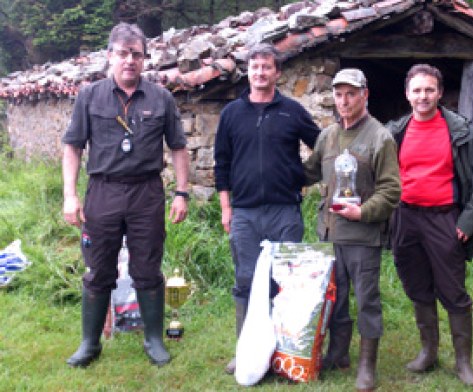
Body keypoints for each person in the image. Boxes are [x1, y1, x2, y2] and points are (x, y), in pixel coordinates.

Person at [62, 22, 190, 368]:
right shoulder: (90, 96)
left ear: (144, 59)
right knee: (98, 268)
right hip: (102, 192)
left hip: (146, 193)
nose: (129, 60)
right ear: (110, 57)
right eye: (122, 54)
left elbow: (179, 147)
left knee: (147, 267)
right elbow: (72, 146)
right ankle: (90, 343)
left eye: (136, 54)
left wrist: (181, 192)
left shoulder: (160, 97)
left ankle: (153, 339)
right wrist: (70, 195)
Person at [213, 43, 321, 375]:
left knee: (287, 284)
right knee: (246, 282)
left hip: (285, 210)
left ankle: (285, 353)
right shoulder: (232, 113)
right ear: (248, 71)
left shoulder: (292, 110)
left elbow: (321, 146)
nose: (260, 73)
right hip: (244, 212)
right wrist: (226, 208)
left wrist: (301, 177)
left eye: (267, 67)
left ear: (278, 72)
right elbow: (222, 164)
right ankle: (246, 351)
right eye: (255, 67)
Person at [387, 64, 473, 386]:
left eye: (429, 90)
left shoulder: (459, 131)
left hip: (444, 219)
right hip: (406, 218)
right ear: (407, 94)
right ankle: (428, 352)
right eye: (417, 90)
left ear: (439, 93)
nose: (423, 96)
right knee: (417, 287)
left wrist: (468, 222)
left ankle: (464, 362)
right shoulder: (396, 131)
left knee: (453, 291)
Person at [303, 68, 401, 391]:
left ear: (365, 95)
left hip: (363, 236)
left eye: (351, 94)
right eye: (339, 94)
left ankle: (366, 366)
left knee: (367, 299)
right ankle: (338, 353)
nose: (344, 101)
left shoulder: (380, 137)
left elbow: (391, 190)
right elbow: (310, 172)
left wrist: (363, 212)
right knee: (336, 297)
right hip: (329, 234)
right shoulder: (328, 135)